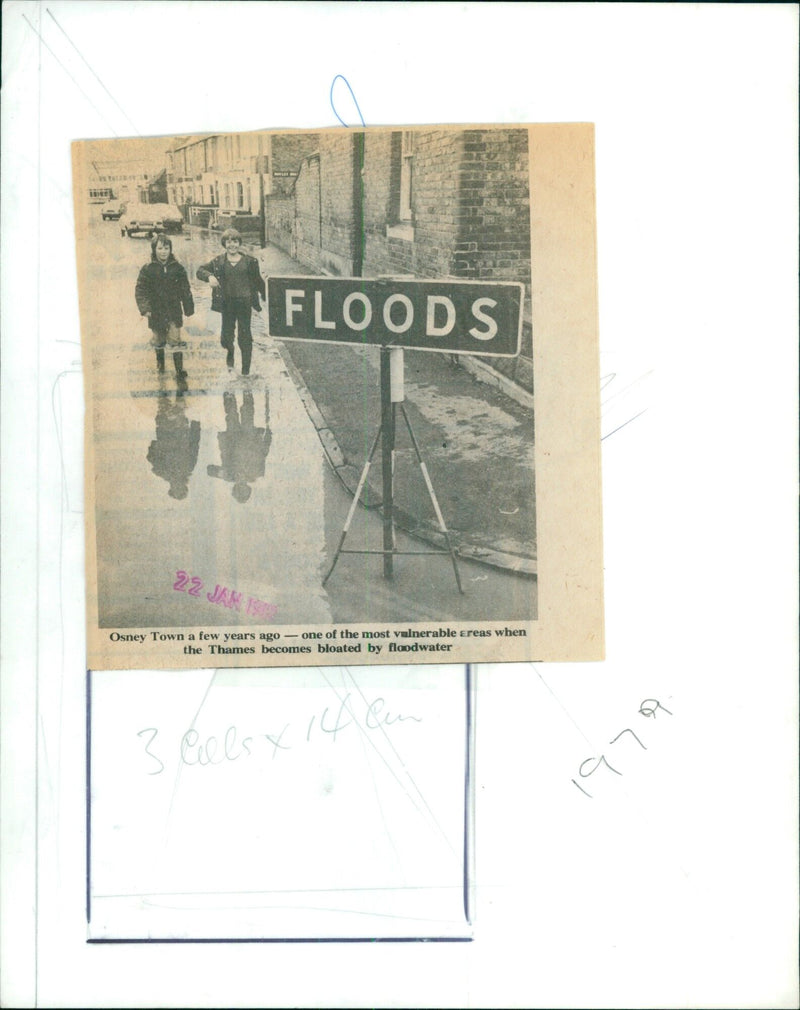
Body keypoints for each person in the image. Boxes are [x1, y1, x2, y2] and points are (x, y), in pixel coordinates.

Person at [196, 228, 266, 377]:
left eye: (235, 241)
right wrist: (209, 277)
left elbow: (258, 282)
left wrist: (267, 297)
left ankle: (245, 369)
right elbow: (200, 270)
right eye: (228, 242)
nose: (232, 245)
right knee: (226, 337)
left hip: (245, 303)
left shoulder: (250, 262)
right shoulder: (218, 261)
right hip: (227, 304)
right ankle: (230, 353)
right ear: (224, 244)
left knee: (245, 336)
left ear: (239, 243)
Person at [134, 232, 194, 382]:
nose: (163, 252)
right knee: (159, 340)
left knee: (175, 339)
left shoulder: (178, 268)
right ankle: (160, 365)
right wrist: (145, 308)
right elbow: (141, 290)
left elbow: (185, 289)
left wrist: (188, 307)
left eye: (166, 248)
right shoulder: (147, 269)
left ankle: (179, 371)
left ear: (170, 250)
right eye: (160, 248)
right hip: (156, 312)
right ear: (154, 250)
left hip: (174, 311)